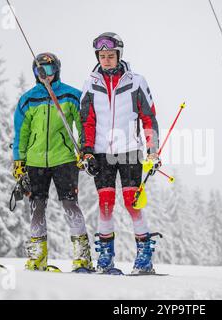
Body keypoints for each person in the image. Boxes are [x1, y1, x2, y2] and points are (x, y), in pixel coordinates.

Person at [79, 32, 161, 274]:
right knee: (105, 204)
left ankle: (144, 258)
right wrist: (87, 152)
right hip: (102, 153)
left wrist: (152, 150)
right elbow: (87, 121)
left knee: (132, 203)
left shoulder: (136, 81)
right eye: (102, 56)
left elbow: (148, 117)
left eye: (110, 55)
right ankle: (105, 258)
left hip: (129, 150)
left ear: (119, 55)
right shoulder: (90, 83)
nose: (106, 60)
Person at [13, 52, 93, 272]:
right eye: (40, 71)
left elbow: (83, 124)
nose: (44, 75)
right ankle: (38, 259)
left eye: (49, 70)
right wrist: (19, 160)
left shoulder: (71, 95)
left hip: (65, 159)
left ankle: (82, 258)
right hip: (35, 161)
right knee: (37, 206)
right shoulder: (28, 99)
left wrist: (85, 150)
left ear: (56, 70)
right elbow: (21, 132)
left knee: (70, 204)